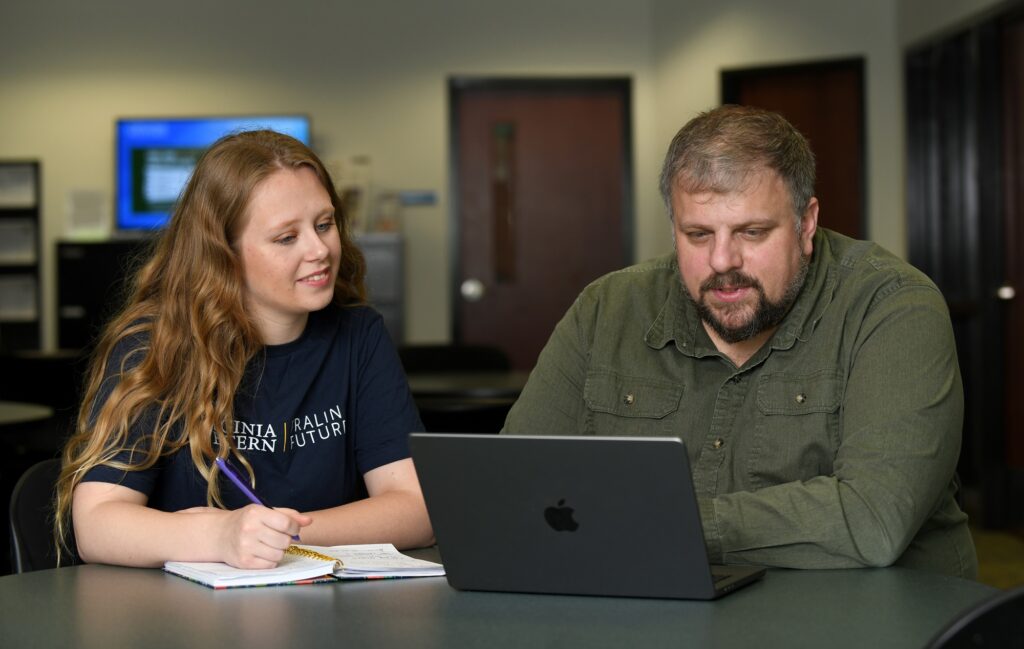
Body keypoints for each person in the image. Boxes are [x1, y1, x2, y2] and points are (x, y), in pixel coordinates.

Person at [502, 105, 978, 578]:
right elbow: (514, 483)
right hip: (659, 614)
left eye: (752, 232)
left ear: (806, 224)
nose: (722, 261)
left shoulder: (891, 306)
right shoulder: (607, 309)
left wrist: (651, 522)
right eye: (698, 235)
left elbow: (875, 518)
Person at [55, 130, 433, 569]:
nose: (320, 250)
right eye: (286, 237)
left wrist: (273, 534)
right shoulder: (155, 346)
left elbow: (417, 508)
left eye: (324, 224)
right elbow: (96, 524)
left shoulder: (359, 335)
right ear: (224, 255)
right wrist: (220, 535)